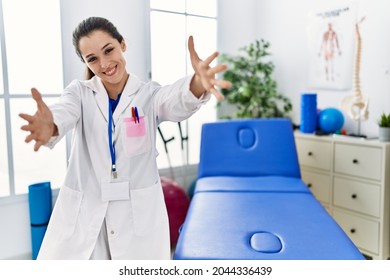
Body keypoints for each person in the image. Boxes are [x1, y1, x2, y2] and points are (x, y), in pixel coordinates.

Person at [19, 17, 232, 260]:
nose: (105, 63)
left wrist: (197, 83)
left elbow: (175, 100)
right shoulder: (80, 93)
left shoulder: (148, 95)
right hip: (86, 216)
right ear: (87, 63)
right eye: (93, 59)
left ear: (123, 44)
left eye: (108, 50)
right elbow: (63, 112)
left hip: (136, 220)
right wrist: (50, 126)